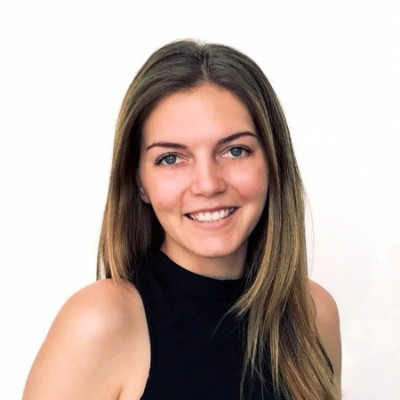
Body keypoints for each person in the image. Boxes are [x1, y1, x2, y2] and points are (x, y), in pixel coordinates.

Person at [22, 39, 341, 400]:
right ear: (140, 182)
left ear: (272, 163)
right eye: (171, 158)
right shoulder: (100, 321)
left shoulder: (313, 313)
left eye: (235, 150)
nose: (207, 184)